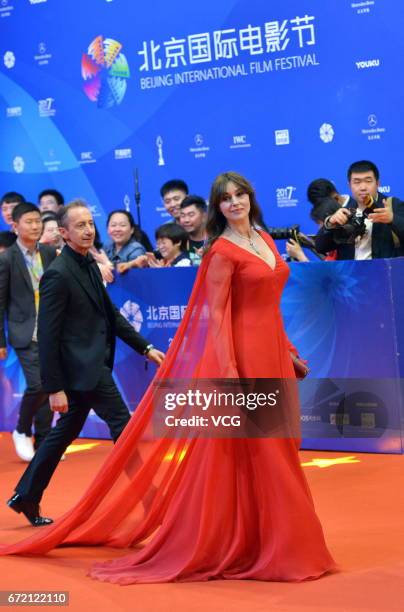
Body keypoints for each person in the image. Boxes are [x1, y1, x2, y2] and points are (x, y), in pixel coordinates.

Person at [1, 173, 335, 585]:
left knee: (280, 449)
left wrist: (287, 350)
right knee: (258, 452)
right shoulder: (221, 252)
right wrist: (229, 372)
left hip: (271, 356)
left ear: (251, 197)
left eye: (240, 195)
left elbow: (265, 307)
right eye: (225, 199)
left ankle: (262, 540)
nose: (234, 203)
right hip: (236, 363)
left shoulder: (266, 241)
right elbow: (217, 319)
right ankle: (270, 546)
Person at [6, 201, 164, 526]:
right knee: (125, 427)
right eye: (79, 226)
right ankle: (153, 503)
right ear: (63, 233)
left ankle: (26, 496)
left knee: (62, 434)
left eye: (90, 223)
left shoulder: (89, 264)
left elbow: (112, 315)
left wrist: (145, 347)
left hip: (90, 368)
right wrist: (54, 389)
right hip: (83, 371)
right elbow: (47, 338)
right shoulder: (57, 275)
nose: (88, 230)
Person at [0, 203, 57, 461]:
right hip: (24, 331)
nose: (35, 226)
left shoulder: (48, 252)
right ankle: (22, 429)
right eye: (29, 222)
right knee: (38, 384)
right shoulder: (6, 258)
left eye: (38, 221)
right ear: (15, 226)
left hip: (50, 330)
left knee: (48, 384)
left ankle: (44, 442)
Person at [315, 160, 404, 259]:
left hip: (386, 272)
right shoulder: (344, 211)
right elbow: (320, 247)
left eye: (368, 181)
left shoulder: (392, 205)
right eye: (357, 182)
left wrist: (393, 219)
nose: (363, 187)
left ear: (378, 183)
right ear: (349, 185)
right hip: (351, 273)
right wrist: (330, 223)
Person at [179, 194, 207, 265]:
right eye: (183, 215)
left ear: (204, 216)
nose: (186, 220)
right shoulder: (178, 243)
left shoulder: (215, 241)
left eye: (191, 215)